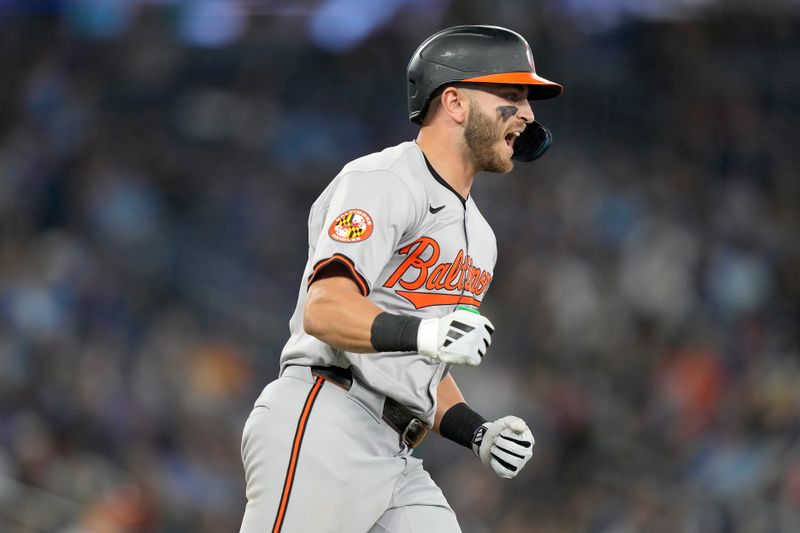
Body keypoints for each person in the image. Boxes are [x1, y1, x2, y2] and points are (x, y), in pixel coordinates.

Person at [239, 25, 563, 533]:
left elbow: (421, 364)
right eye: (511, 94)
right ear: (454, 102)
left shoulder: (481, 238)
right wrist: (428, 334)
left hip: (396, 451)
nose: (528, 114)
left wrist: (476, 431)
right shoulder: (381, 181)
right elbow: (322, 308)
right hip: (328, 417)